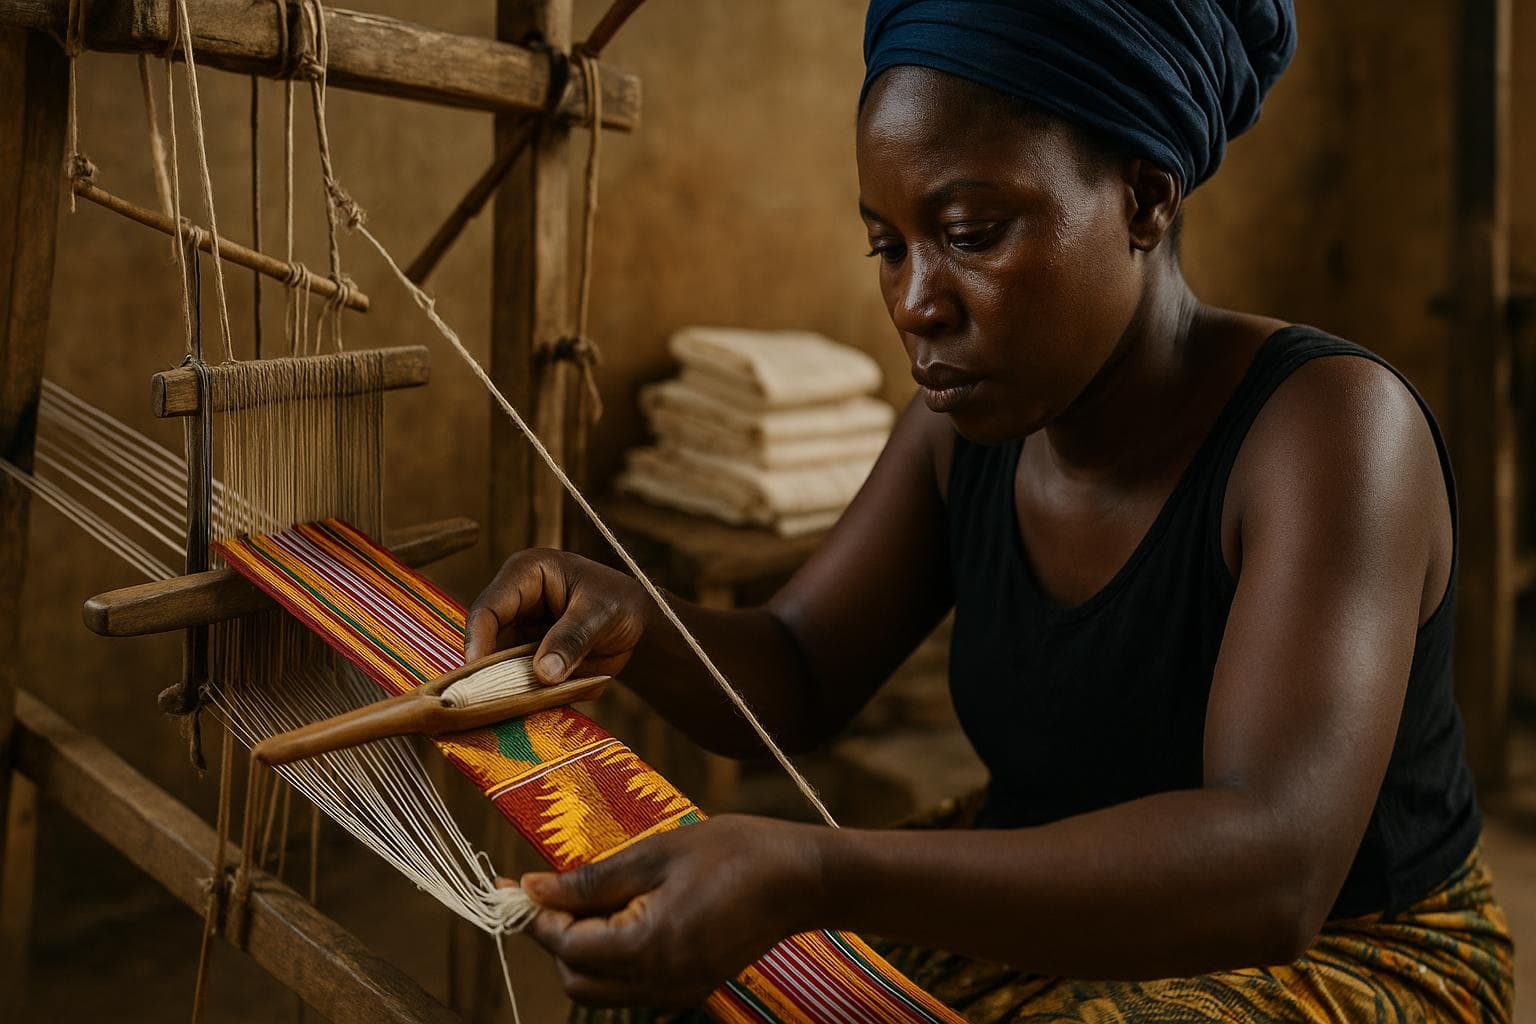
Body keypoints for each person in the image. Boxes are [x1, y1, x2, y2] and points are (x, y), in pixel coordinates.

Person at [464, 1, 1514, 1020]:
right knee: (677, 991)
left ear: (1146, 199)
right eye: (888, 245)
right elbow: (797, 663)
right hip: (1054, 890)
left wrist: (818, 869)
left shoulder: (1330, 431)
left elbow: (1273, 870)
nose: (918, 300)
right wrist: (637, 622)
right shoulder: (964, 435)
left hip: (1355, 943)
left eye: (970, 232)